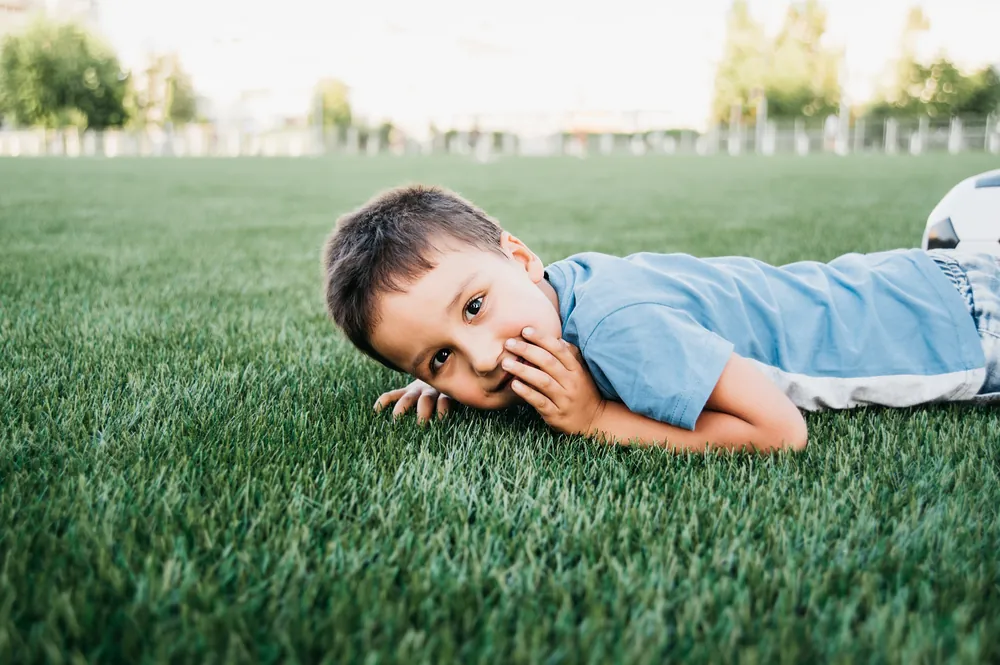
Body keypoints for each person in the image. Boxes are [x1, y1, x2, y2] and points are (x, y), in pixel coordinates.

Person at [321, 184, 1000, 453]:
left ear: (522, 259)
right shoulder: (556, 289)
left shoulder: (618, 328)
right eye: (441, 356)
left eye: (474, 307)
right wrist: (438, 372)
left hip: (966, 328)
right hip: (919, 282)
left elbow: (779, 432)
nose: (485, 357)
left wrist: (595, 417)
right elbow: (470, 329)